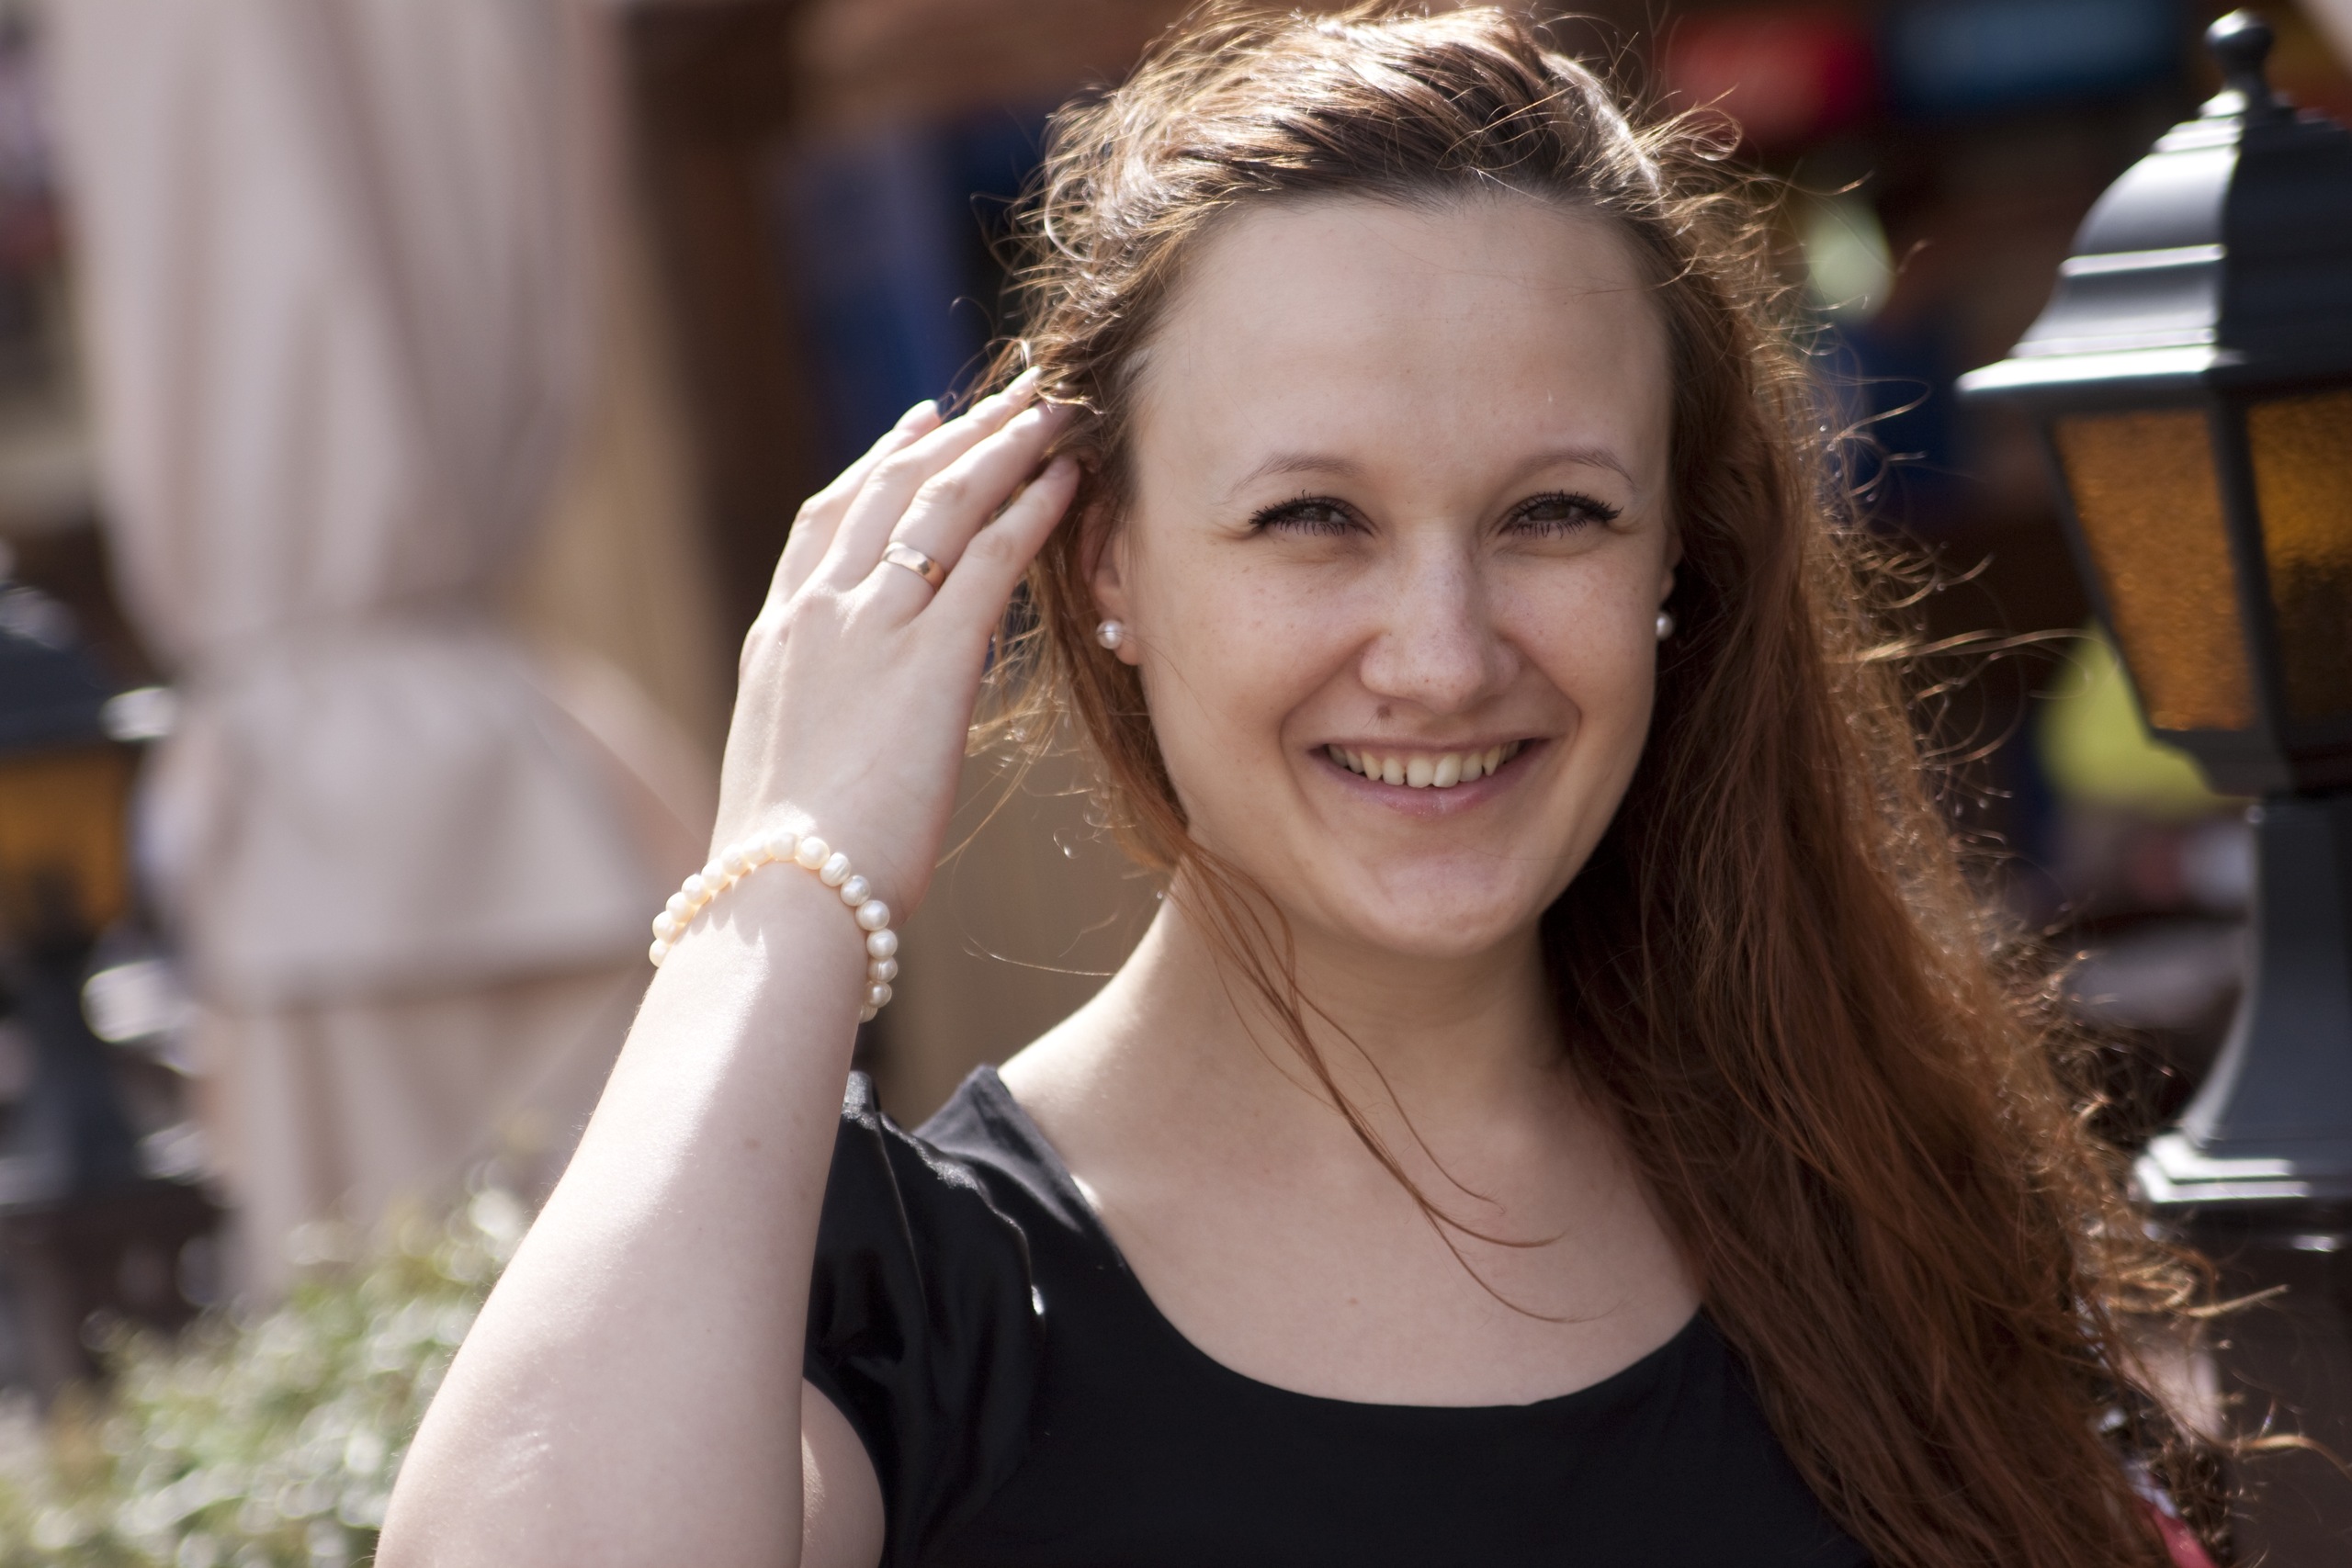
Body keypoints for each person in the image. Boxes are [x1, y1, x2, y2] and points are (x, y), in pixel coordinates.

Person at [379, 7, 2225, 1566]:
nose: (1442, 652)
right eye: (1310, 517)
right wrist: (784, 882)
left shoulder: (1876, 1181)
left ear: (1677, 556)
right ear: (1101, 559)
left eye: (1554, 513)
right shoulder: (905, 1303)